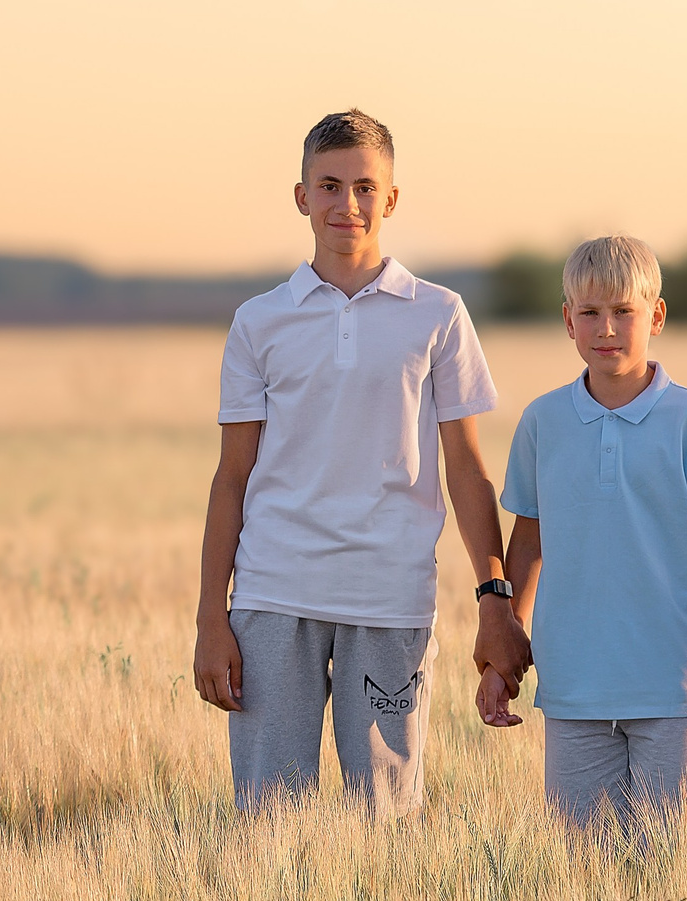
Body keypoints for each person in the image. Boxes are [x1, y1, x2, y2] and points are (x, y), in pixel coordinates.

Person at [193, 110, 506, 815]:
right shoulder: (259, 321)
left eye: (366, 187)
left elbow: (468, 471)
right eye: (329, 186)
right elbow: (230, 477)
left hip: (389, 595)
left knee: (387, 819)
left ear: (392, 198)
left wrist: (495, 597)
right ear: (302, 196)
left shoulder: (439, 315)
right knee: (266, 822)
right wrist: (212, 617)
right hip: (273, 594)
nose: (348, 204)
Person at [474, 235, 687, 827]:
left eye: (623, 312)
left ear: (656, 315)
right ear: (567, 322)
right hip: (573, 688)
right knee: (584, 875)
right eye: (590, 313)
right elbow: (529, 540)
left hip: (674, 689)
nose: (607, 329)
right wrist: (507, 643)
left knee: (677, 870)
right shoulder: (542, 421)